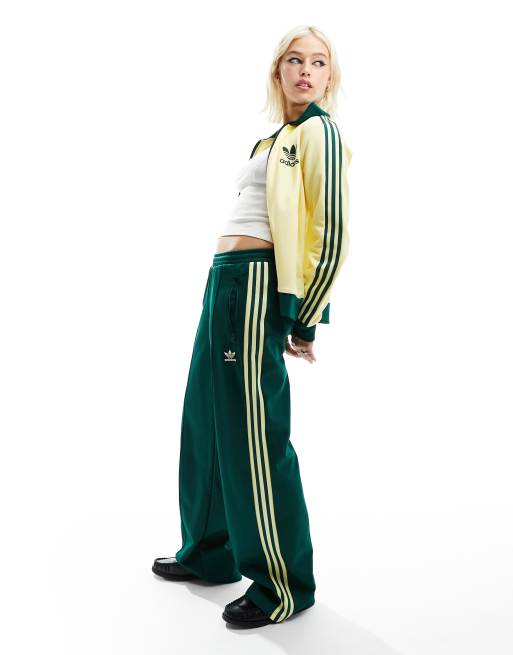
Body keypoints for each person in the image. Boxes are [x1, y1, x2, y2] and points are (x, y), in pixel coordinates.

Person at [152, 24, 352, 628]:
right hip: (225, 278)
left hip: (259, 282)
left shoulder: (319, 132)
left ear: (329, 78)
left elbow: (331, 230)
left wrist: (306, 316)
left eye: (318, 62)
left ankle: (282, 586)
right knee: (206, 418)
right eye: (295, 60)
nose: (306, 70)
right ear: (277, 71)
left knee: (254, 433)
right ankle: (209, 553)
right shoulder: (273, 138)